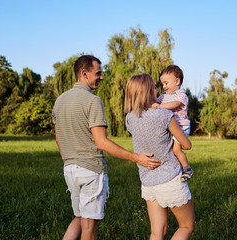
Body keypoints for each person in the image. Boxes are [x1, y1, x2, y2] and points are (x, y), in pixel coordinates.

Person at [52, 55, 161, 240]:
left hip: (69, 169)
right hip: (90, 171)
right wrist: (137, 158)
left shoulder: (59, 101)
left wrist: (69, 161)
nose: (102, 77)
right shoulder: (92, 101)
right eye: (98, 73)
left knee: (79, 217)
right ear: (84, 73)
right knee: (89, 229)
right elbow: (102, 142)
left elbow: (58, 139)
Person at [125, 73, 195, 240]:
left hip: (148, 182)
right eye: (154, 86)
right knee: (186, 226)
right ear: (148, 90)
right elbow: (186, 145)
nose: (158, 88)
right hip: (169, 178)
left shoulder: (129, 118)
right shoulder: (163, 114)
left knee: (157, 232)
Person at [152, 65, 193, 182]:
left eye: (166, 83)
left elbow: (175, 104)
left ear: (177, 81)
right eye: (162, 84)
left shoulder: (181, 95)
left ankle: (187, 168)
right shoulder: (164, 97)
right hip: (169, 127)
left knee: (176, 150)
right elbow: (154, 102)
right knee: (169, 149)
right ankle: (173, 168)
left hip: (181, 126)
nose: (164, 86)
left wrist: (160, 106)